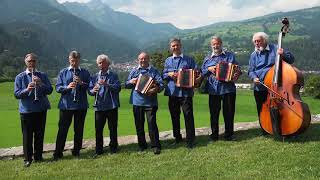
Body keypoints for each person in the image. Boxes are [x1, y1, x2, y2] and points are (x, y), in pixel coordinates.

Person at [248, 32, 294, 132]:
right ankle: (265, 129)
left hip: (277, 86)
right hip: (260, 86)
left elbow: (291, 59)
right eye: (255, 41)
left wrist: (283, 54)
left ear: (264, 40)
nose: (256, 43)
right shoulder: (253, 55)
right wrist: (253, 78)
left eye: (258, 41)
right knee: (261, 109)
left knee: (281, 107)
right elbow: (250, 71)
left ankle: (284, 126)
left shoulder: (275, 48)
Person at [14, 53, 53, 167]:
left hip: (41, 109)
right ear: (25, 62)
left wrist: (41, 84)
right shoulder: (20, 77)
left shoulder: (43, 75)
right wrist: (27, 89)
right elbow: (16, 94)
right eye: (29, 61)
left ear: (36, 62)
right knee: (27, 136)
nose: (32, 63)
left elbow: (50, 90)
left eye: (34, 61)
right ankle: (27, 159)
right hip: (26, 110)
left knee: (39, 134)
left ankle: (38, 156)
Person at [162, 38, 201, 148]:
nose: (175, 47)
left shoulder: (189, 60)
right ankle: (177, 138)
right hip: (172, 92)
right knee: (174, 116)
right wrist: (170, 74)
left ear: (181, 46)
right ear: (171, 48)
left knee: (188, 116)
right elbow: (163, 75)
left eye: (177, 45)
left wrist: (195, 77)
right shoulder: (168, 61)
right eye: (173, 46)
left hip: (186, 93)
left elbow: (197, 72)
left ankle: (191, 140)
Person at [201, 36, 240, 141]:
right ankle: (214, 135)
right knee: (214, 114)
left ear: (221, 44)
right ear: (211, 45)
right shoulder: (207, 58)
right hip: (213, 90)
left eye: (217, 43)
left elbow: (237, 69)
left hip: (228, 89)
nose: (215, 46)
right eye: (213, 44)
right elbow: (203, 72)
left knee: (229, 113)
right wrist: (209, 68)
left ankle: (229, 135)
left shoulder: (230, 56)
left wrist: (235, 73)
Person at [53, 51, 90, 160]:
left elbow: (89, 87)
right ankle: (58, 153)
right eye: (72, 60)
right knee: (62, 130)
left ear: (79, 60)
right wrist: (67, 87)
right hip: (66, 106)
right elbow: (58, 88)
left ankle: (76, 151)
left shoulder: (85, 72)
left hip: (81, 106)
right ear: (69, 60)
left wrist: (81, 83)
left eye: (76, 60)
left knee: (79, 129)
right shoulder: (63, 72)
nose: (74, 63)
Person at [125, 52, 163, 154]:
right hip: (137, 102)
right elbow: (126, 84)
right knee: (139, 125)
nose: (143, 61)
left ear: (148, 59)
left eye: (145, 59)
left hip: (150, 103)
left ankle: (155, 146)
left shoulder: (154, 71)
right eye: (141, 59)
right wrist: (130, 82)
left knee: (152, 124)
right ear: (138, 60)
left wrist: (156, 89)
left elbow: (161, 85)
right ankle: (142, 146)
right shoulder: (134, 71)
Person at [88, 54, 121, 156]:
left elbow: (118, 88)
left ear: (108, 64)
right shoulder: (94, 77)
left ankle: (114, 148)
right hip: (99, 106)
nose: (101, 65)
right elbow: (89, 91)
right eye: (99, 63)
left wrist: (107, 84)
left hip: (111, 106)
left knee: (113, 128)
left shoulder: (113, 75)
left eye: (103, 62)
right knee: (98, 129)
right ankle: (99, 150)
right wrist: (93, 90)